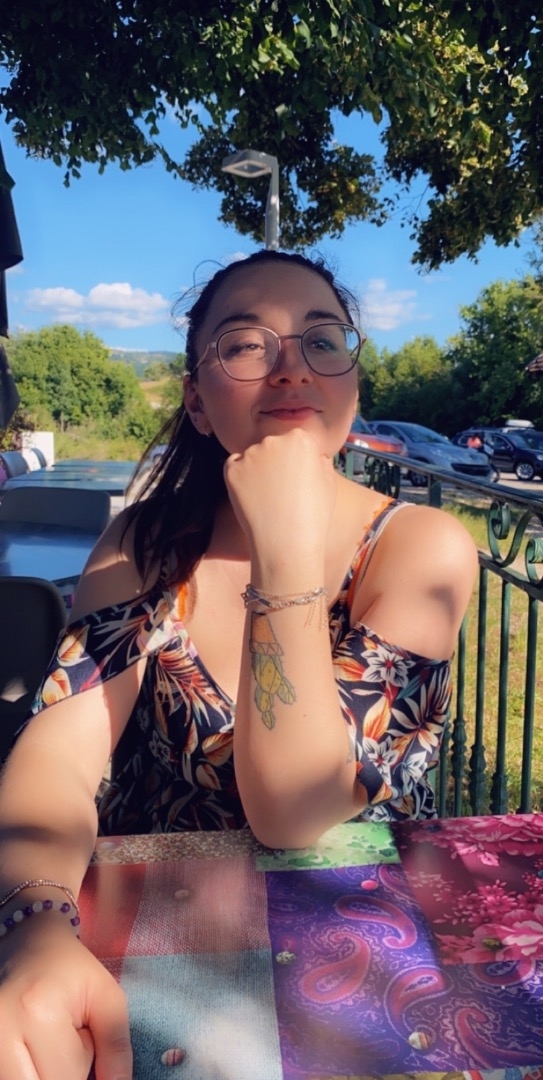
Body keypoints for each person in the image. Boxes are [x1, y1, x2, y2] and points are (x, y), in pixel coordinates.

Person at [0, 250, 478, 1079]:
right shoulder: (147, 544)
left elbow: (293, 807)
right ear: (196, 399)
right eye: (246, 344)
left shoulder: (420, 548)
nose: (291, 366)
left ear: (351, 381)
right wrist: (35, 924)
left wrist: (282, 548)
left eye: (321, 339)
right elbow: (57, 757)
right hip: (163, 964)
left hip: (375, 971)